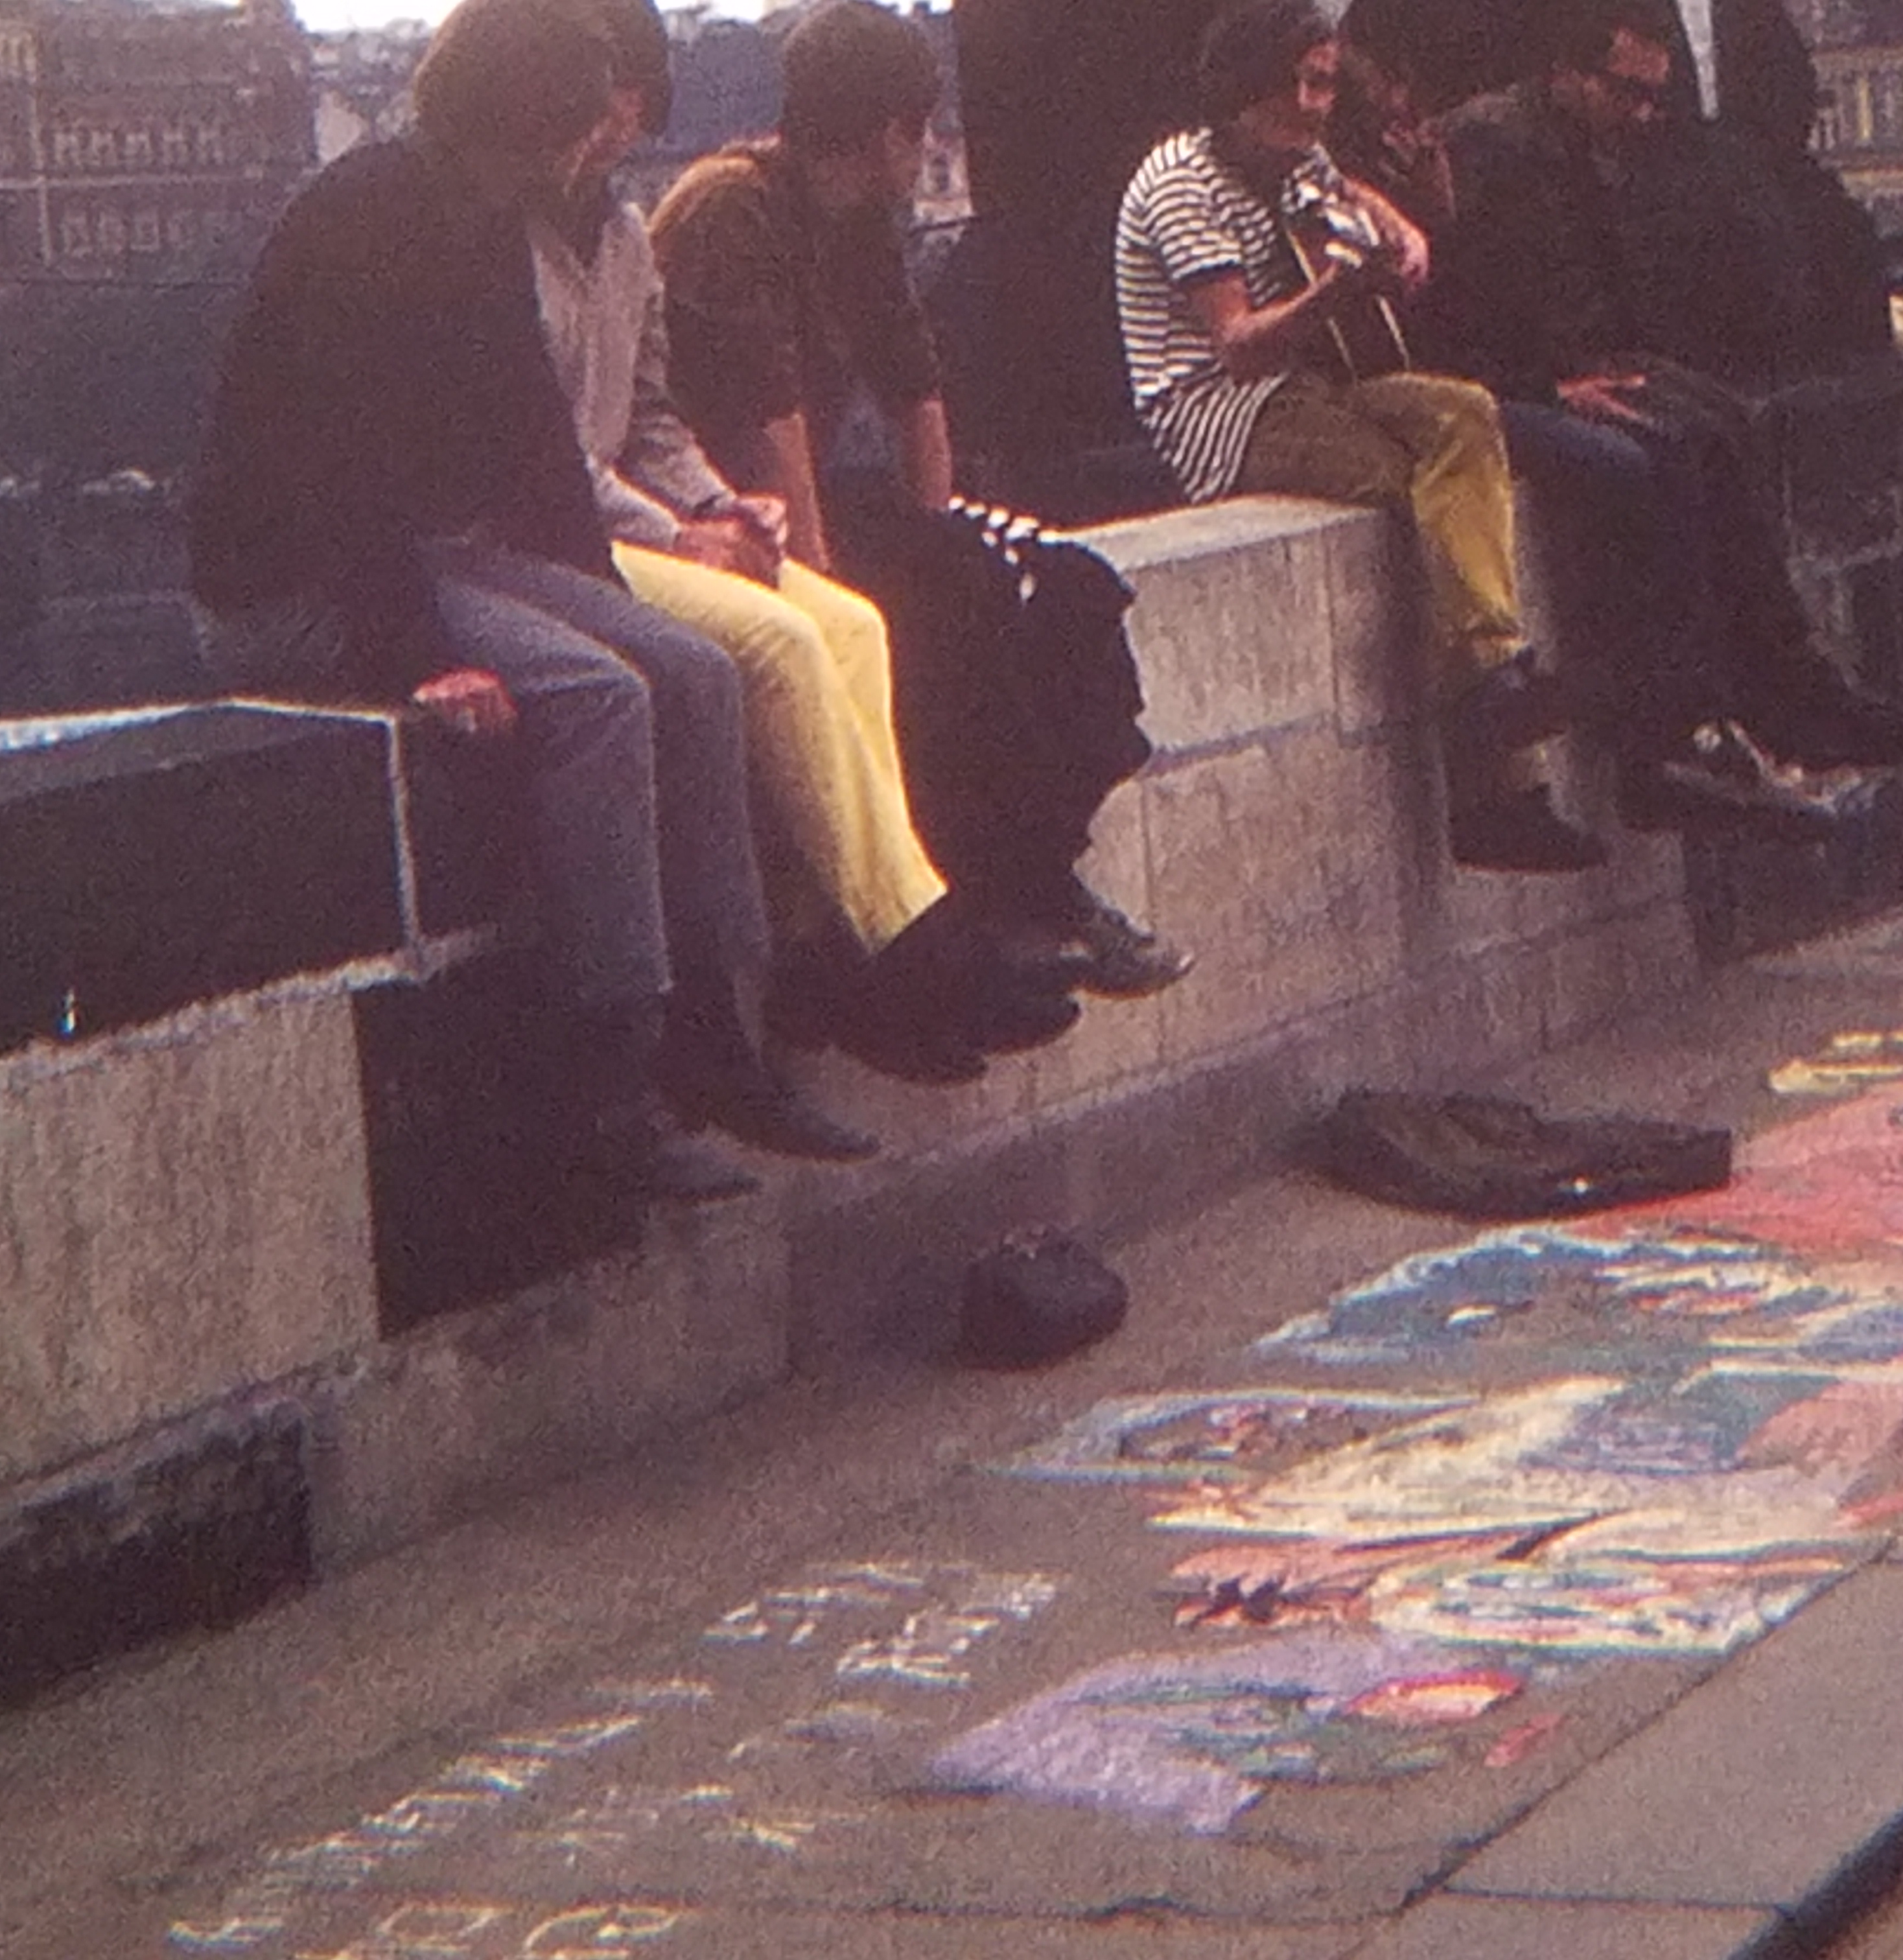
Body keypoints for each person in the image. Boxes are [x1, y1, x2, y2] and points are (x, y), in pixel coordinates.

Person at [187, 0, 873, 1200]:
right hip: (305, 582)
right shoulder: (356, 221)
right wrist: (412, 655)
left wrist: (603, 591)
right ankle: (612, 1081)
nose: (580, 158)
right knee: (599, 697)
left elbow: (535, 456)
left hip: (434, 549)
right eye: (565, 134)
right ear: (514, 128)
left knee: (692, 668)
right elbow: (337, 473)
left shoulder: (482, 220)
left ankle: (724, 1037)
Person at [524, 0, 1077, 1085]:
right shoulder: (705, 213)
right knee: (791, 640)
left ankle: (966, 904)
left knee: (887, 618)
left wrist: (731, 511)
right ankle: (903, 953)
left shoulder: (624, 229)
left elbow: (651, 419)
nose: (616, 133)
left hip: (689, 506)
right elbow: (576, 453)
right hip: (589, 529)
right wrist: (704, 525)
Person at [650, 0, 1188, 993]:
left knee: (1064, 585)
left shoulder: (860, 219)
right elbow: (774, 418)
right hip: (724, 510)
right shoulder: (736, 210)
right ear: (892, 128)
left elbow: (914, 384)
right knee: (934, 613)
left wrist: (939, 527)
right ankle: (994, 895)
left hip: (812, 492)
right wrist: (825, 569)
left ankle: (1037, 875)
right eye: (924, 126)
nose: (933, 146)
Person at [1412, 0, 1903, 817]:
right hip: (1502, 385)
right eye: (1627, 92)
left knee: (1720, 425)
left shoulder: (1589, 142)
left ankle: (1789, 686)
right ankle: (1675, 732)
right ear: (1566, 74)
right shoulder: (1488, 145)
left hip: (1575, 366)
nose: (1645, 114)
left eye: (1654, 97)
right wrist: (1545, 389)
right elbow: (1453, 300)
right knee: (1652, 457)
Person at [1112, 0, 1604, 874]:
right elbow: (1235, 345)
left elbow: (1346, 189)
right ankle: (1499, 763)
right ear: (1246, 87)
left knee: (1463, 414)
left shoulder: (1294, 159)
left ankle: (1497, 676)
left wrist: (1403, 231)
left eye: (1325, 84)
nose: (1314, 106)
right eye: (1300, 84)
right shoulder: (1181, 182)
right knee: (1422, 492)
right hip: (1227, 417)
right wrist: (1334, 296)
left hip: (1316, 383)